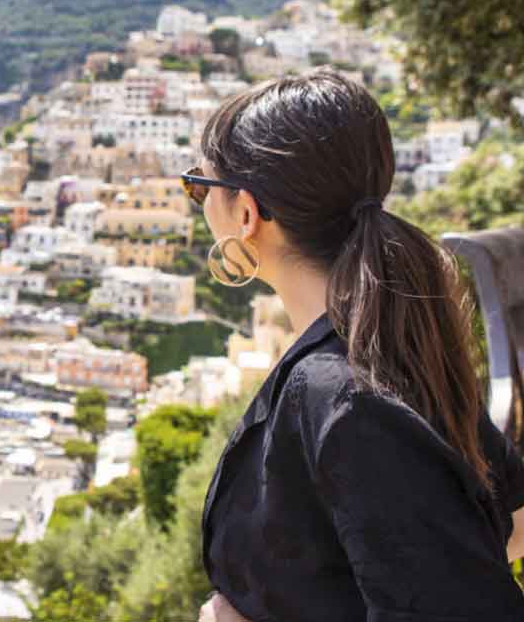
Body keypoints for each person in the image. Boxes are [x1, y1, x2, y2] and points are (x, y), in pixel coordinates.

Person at [182, 71, 524, 622]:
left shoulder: (341, 393)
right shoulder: (395, 343)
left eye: (199, 185)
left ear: (245, 214)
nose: (197, 200)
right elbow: (507, 520)